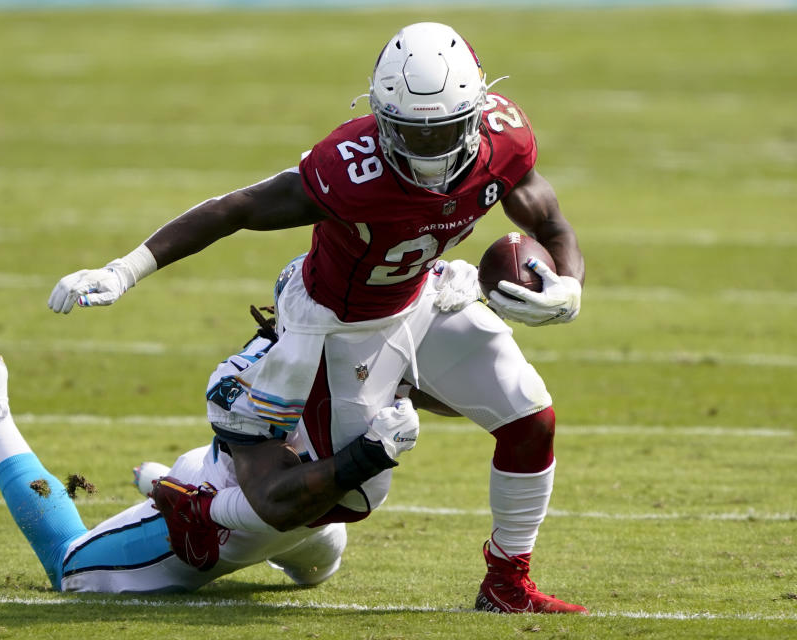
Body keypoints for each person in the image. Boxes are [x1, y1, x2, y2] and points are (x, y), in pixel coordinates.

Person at [47, 22, 587, 614]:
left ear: (477, 113)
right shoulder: (352, 167)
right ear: (381, 118)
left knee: (530, 414)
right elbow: (237, 208)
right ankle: (204, 502)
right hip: (340, 329)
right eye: (410, 132)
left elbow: (552, 224)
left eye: (443, 132)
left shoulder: (505, 138)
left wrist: (567, 285)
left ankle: (507, 583)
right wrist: (123, 270)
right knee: (353, 494)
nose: (429, 151)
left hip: (425, 296)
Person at [0, 344, 420, 593]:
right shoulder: (246, 375)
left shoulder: (359, 325)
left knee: (318, 569)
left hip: (308, 509)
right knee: (70, 567)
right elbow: (266, 501)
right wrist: (371, 454)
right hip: (238, 502)